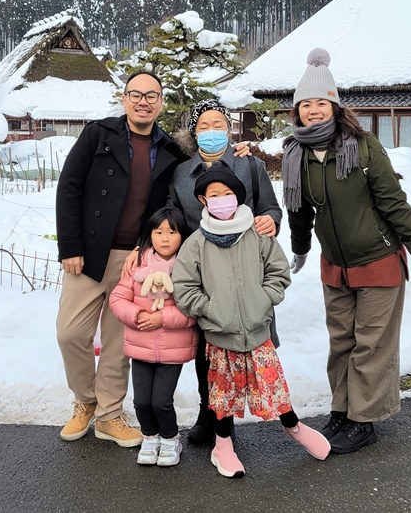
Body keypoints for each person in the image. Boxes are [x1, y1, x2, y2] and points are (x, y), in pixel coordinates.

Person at [282, 48, 411, 454]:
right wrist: (300, 249)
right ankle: (342, 411)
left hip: (379, 260)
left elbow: (393, 202)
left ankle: (364, 421)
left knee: (372, 344)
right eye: (306, 104)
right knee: (341, 342)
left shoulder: (363, 147)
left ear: (334, 106)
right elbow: (298, 210)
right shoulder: (295, 154)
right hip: (336, 265)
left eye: (321, 103)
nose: (313, 111)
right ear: (297, 111)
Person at [55, 70, 187, 448]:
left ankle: (110, 415)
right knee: (71, 333)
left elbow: (186, 188)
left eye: (152, 95)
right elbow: (70, 187)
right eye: (136, 94)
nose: (143, 101)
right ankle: (85, 402)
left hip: (136, 259)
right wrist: (70, 246)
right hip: (89, 252)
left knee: (118, 342)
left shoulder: (171, 150)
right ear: (125, 98)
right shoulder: (99, 134)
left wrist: (239, 151)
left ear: (161, 102)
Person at [173, 165, 331, 478]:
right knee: (223, 396)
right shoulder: (195, 243)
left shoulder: (256, 234)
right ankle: (223, 444)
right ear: (203, 201)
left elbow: (278, 272)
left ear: (238, 197)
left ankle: (294, 426)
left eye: (228, 194)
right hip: (220, 337)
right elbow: (184, 287)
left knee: (273, 387)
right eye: (214, 195)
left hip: (259, 334)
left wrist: (263, 299)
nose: (222, 200)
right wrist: (210, 308)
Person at [166, 98, 282, 445]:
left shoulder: (249, 165)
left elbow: (270, 206)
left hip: (247, 271)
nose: (212, 132)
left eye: (219, 125)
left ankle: (261, 406)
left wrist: (270, 220)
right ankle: (211, 412)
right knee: (208, 346)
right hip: (205, 272)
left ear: (230, 129)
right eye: (204, 126)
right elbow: (172, 217)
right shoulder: (181, 174)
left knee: (247, 342)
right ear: (194, 132)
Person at [109, 207, 197, 467]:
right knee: (142, 401)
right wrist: (136, 315)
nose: (165, 238)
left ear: (183, 236)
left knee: (161, 401)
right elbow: (117, 298)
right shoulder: (138, 264)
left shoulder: (188, 267)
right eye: (159, 232)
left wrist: (163, 318)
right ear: (150, 235)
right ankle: (150, 436)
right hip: (140, 346)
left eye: (172, 232)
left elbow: (193, 308)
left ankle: (170, 439)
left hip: (173, 348)